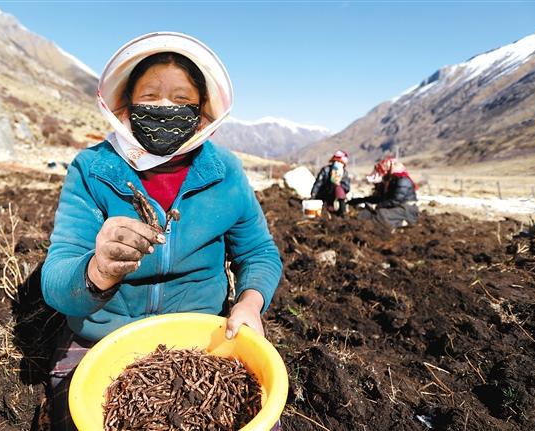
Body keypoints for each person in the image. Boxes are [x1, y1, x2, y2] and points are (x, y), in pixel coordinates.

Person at [40, 32, 282, 430]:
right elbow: (56, 284)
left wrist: (249, 304)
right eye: (150, 97)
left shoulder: (225, 172)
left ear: (201, 110)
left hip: (202, 339)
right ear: (127, 104)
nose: (165, 108)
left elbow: (258, 253)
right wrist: (97, 270)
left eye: (181, 99)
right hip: (102, 339)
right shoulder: (93, 170)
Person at [349, 155, 419, 228]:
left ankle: (402, 223)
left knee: (381, 214)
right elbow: (383, 198)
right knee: (367, 213)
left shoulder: (403, 181)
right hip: (397, 206)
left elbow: (396, 200)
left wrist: (377, 206)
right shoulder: (392, 181)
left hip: (406, 209)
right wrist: (361, 200)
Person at [310, 150, 351, 216]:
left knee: (339, 189)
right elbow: (318, 183)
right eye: (336, 161)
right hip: (324, 193)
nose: (337, 163)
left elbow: (347, 188)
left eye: (340, 162)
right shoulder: (326, 170)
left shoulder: (344, 174)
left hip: (335, 196)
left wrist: (339, 184)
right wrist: (313, 194)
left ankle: (342, 211)